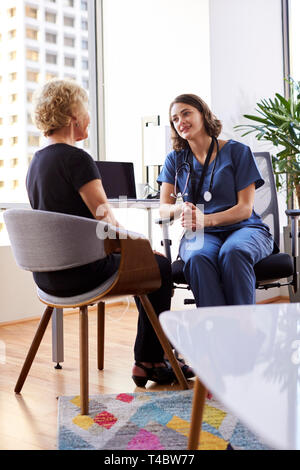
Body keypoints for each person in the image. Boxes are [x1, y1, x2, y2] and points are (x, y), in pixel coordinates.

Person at [26, 79, 193, 387]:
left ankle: (156, 357)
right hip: (83, 272)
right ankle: (149, 360)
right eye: (86, 108)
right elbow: (105, 219)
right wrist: (142, 247)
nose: (88, 115)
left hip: (48, 277)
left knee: (150, 262)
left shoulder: (36, 162)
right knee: (160, 267)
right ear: (74, 115)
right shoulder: (76, 159)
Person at [157, 93, 275, 307]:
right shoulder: (175, 160)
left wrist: (206, 220)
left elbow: (244, 209)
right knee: (197, 257)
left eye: (186, 113)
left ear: (203, 114)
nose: (180, 122)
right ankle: (214, 330)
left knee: (234, 252)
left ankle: (243, 327)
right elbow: (163, 209)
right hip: (201, 234)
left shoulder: (238, 152)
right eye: (175, 119)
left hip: (244, 228)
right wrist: (180, 207)